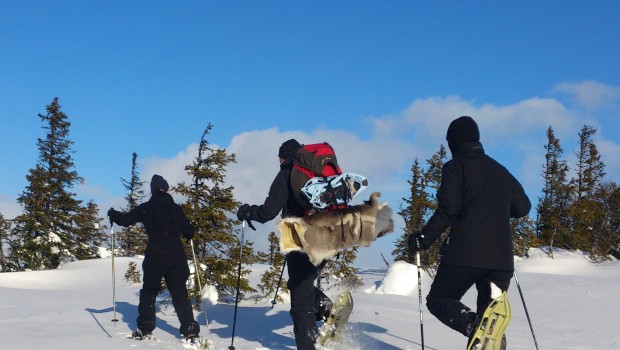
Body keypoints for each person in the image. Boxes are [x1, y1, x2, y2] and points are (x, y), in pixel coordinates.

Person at [408, 116, 531, 347]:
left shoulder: (455, 167)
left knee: (438, 299)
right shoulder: (501, 171)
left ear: (454, 142)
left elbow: (448, 211)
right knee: (490, 324)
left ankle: (473, 324)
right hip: (501, 260)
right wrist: (495, 209)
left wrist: (423, 240)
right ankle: (484, 328)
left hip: (465, 254)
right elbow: (523, 208)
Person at [236, 139, 331, 350]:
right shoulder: (319, 170)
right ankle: (324, 307)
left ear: (283, 157)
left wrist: (247, 212)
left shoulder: (287, 173)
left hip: (301, 241)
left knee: (300, 301)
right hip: (328, 236)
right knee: (301, 285)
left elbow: (267, 212)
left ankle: (309, 343)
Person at [108, 174, 200, 341]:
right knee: (180, 293)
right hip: (176, 257)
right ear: (166, 189)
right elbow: (189, 232)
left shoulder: (146, 207)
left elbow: (126, 220)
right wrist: (187, 229)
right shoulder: (176, 209)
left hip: (155, 257)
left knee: (149, 291)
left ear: (153, 190)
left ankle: (145, 327)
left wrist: (113, 214)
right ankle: (190, 329)